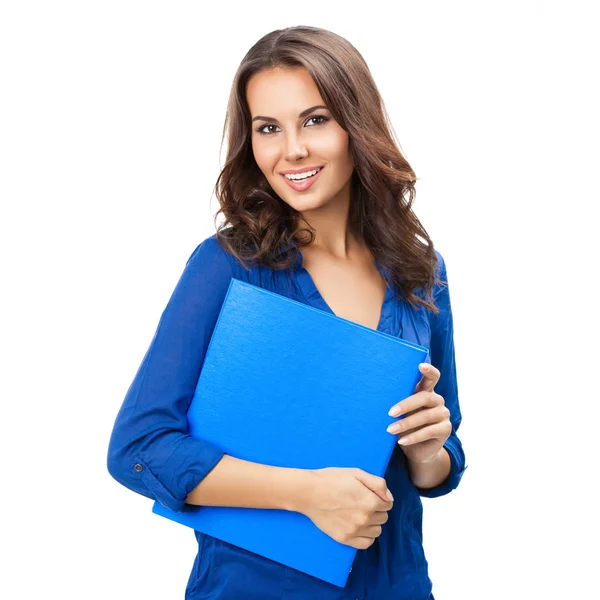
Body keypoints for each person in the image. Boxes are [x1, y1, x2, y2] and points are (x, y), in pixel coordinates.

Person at [107, 25, 467, 600]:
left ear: (358, 126)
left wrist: (430, 452)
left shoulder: (421, 271)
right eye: (268, 129)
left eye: (316, 120)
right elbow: (139, 450)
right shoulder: (228, 266)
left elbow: (441, 460)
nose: (292, 149)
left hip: (398, 585)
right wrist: (305, 493)